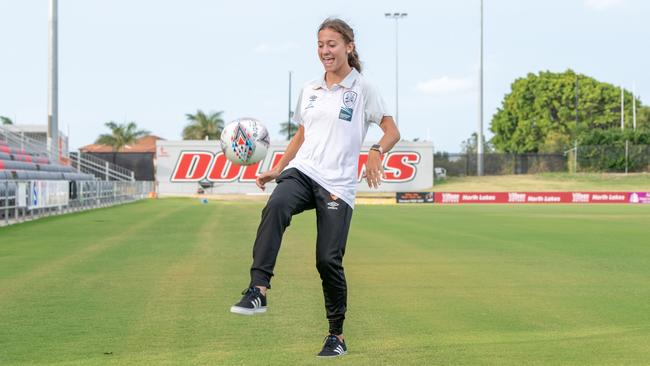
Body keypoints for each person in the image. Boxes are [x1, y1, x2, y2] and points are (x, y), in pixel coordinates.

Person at [230, 17, 400, 358]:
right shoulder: (310, 89)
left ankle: (336, 335)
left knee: (327, 260)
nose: (325, 51)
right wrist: (277, 170)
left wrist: (376, 151)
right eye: (321, 45)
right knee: (276, 205)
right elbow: (302, 134)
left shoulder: (363, 88)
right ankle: (258, 289)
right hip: (303, 171)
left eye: (332, 44)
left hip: (337, 184)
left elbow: (391, 130)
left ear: (349, 47)